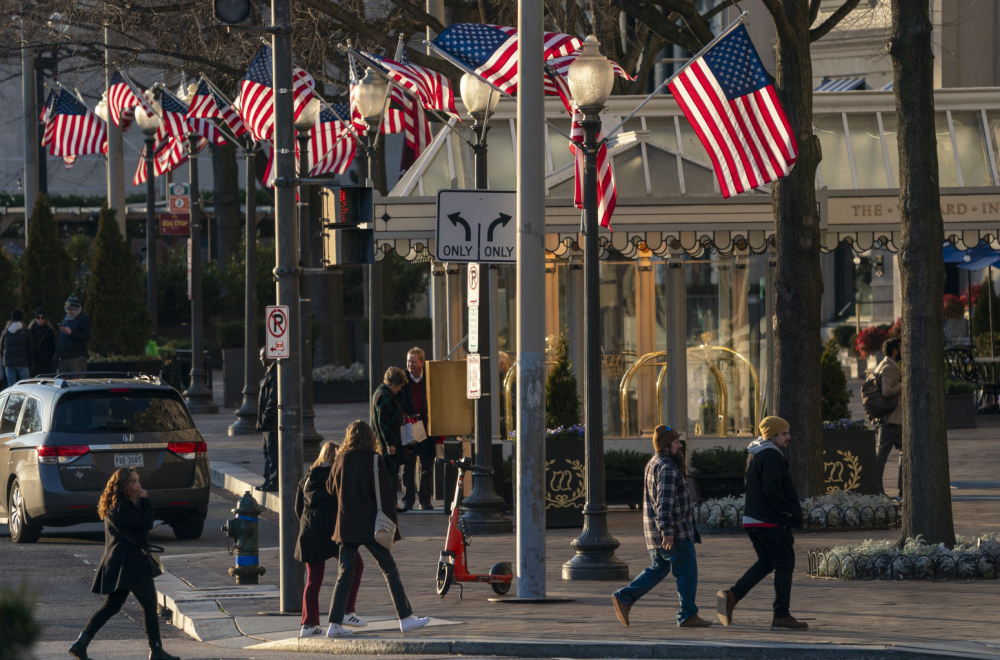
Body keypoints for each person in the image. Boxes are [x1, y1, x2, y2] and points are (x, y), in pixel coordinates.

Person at [324, 420, 429, 638]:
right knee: (389, 570)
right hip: (371, 525)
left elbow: (331, 488)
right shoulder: (374, 459)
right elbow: (386, 496)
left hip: (347, 526)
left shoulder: (341, 458)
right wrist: (394, 531)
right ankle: (406, 618)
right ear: (370, 437)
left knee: (344, 574)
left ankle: (334, 624)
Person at [69, 468, 180, 660]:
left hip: (120, 565)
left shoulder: (117, 506)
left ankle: (81, 644)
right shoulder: (122, 508)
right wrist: (145, 501)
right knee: (149, 604)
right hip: (131, 564)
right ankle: (156, 651)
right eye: (134, 481)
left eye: (138, 481)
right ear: (125, 484)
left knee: (112, 606)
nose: (139, 485)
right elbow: (146, 523)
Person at [611, 425, 712, 628]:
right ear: (665, 447)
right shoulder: (667, 469)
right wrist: (667, 531)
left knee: (658, 568)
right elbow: (664, 503)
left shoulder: (653, 463)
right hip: (675, 533)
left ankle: (625, 597)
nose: (680, 446)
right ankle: (688, 614)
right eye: (675, 443)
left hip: (654, 534)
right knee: (687, 572)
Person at [716, 416, 807, 631]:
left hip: (753, 519)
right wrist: (788, 510)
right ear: (772, 436)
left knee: (767, 562)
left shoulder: (755, 453)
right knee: (785, 564)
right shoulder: (772, 455)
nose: (788, 437)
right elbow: (772, 489)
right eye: (784, 434)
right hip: (770, 521)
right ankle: (781, 615)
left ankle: (733, 596)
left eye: (788, 433)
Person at [296, 441, 367, 637]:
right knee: (355, 566)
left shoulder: (307, 477)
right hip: (333, 532)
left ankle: (308, 625)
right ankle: (347, 611)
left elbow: (298, 508)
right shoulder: (336, 476)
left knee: (313, 579)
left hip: (309, 532)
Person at [399, 347, 436, 512]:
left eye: (413, 362)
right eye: (408, 361)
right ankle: (407, 501)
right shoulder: (402, 379)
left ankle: (425, 501)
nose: (410, 365)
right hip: (409, 428)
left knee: (427, 467)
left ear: (422, 362)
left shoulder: (430, 378)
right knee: (408, 466)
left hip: (427, 429)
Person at [372, 366, 408, 507]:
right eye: (399, 386)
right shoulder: (385, 396)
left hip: (382, 441)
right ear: (393, 382)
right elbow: (383, 422)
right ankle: (391, 503)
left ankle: (390, 503)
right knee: (390, 474)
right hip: (387, 442)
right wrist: (390, 443)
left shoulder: (380, 391)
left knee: (387, 473)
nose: (399, 389)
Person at [875, 338, 903, 496]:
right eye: (900, 348)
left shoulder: (883, 364)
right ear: (894, 351)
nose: (902, 351)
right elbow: (887, 391)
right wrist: (902, 384)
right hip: (891, 420)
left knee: (906, 450)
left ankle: (904, 488)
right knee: (881, 455)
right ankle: (876, 489)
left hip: (893, 419)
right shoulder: (889, 368)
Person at [255, 348, 278, 492]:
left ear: (269, 357)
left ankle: (274, 481)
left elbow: (273, 399)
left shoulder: (275, 374)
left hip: (272, 423)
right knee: (267, 451)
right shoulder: (270, 372)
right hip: (268, 423)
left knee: (272, 452)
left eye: (262, 356)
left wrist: (266, 417)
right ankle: (268, 479)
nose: (260, 359)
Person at [56, 294, 92, 373]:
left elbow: (86, 336)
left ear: (77, 308)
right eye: (67, 309)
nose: (69, 311)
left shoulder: (84, 319)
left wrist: (71, 333)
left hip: (76, 358)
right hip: (64, 357)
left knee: (76, 379)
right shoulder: (66, 318)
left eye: (71, 309)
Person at [2, 309, 35, 386]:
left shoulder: (5, 331)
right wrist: (31, 361)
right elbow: (31, 347)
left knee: (11, 387)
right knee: (27, 386)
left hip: (9, 363)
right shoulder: (26, 331)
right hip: (22, 362)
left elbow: (2, 347)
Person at [28, 307, 56, 376]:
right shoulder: (30, 331)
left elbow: (52, 347)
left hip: (46, 362)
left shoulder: (49, 331)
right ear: (35, 318)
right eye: (38, 317)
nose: (40, 319)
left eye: (42, 317)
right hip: (34, 361)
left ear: (45, 319)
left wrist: (47, 357)